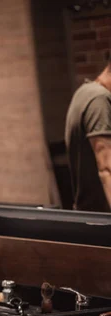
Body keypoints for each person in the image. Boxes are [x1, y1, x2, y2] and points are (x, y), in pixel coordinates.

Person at [65, 53, 111, 212]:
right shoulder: (99, 100)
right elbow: (107, 169)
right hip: (101, 221)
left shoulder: (84, 92)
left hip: (90, 217)